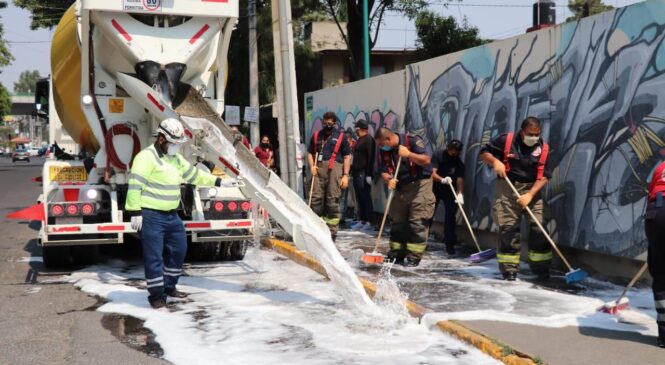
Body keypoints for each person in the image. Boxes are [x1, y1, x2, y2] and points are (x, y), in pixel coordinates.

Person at [126, 118, 236, 309]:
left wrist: (219, 182)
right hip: (151, 215)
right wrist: (135, 211)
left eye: (178, 143)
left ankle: (170, 287)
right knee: (154, 257)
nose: (176, 147)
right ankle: (156, 297)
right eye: (174, 143)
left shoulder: (175, 159)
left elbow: (194, 175)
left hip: (171, 215)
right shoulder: (146, 157)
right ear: (162, 139)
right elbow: (135, 185)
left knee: (179, 249)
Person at [479, 116, 553, 281]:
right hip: (507, 187)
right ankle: (509, 270)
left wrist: (530, 195)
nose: (533, 137)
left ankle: (541, 269)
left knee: (539, 226)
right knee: (508, 229)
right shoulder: (506, 140)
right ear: (522, 131)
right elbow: (483, 153)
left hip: (531, 189)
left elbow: (544, 177)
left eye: (537, 134)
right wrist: (495, 162)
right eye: (530, 134)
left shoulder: (543, 148)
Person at [377, 127, 435, 266]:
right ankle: (396, 255)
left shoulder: (413, 141)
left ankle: (413, 259)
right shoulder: (385, 150)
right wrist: (388, 179)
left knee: (417, 223)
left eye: (382, 144)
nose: (381, 147)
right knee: (398, 223)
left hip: (420, 186)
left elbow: (426, 160)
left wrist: (409, 154)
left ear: (388, 139)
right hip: (401, 188)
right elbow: (383, 170)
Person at [307, 111, 351, 241]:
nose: (327, 125)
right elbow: (310, 153)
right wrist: (311, 166)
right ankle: (316, 230)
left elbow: (347, 157)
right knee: (315, 200)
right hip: (318, 171)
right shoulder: (316, 136)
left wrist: (345, 175)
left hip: (335, 171)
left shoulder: (341, 137)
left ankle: (331, 234)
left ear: (335, 123)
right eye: (325, 122)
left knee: (332, 201)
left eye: (330, 122)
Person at [431, 139, 465, 255]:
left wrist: (460, 193)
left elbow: (460, 179)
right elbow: (432, 173)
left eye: (456, 151)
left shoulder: (458, 163)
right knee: (428, 213)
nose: (453, 153)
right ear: (448, 148)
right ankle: (420, 239)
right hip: (435, 187)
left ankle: (450, 244)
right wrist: (442, 180)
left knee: (450, 215)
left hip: (450, 190)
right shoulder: (438, 155)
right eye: (452, 151)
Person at [645, 160, 665, 347]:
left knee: (660, 275)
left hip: (655, 214)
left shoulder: (660, 167)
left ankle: (664, 335)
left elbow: (650, 194)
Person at [350, 119, 376, 230]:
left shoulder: (369, 139)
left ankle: (369, 221)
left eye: (357, 128)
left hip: (363, 172)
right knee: (359, 197)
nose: (355, 130)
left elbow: (371, 157)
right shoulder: (359, 140)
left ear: (361, 128)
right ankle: (362, 219)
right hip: (356, 172)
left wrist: (369, 174)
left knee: (365, 196)